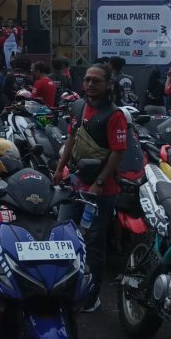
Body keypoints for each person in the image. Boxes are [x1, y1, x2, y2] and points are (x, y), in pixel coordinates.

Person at [53, 64, 127, 312]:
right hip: (75, 183)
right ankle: (63, 286)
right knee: (62, 233)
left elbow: (117, 153)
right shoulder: (77, 106)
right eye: (87, 80)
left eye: (96, 81)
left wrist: (99, 183)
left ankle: (91, 295)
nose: (90, 84)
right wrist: (59, 169)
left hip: (101, 191)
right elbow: (72, 138)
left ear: (108, 84)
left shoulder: (115, 115)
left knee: (94, 243)